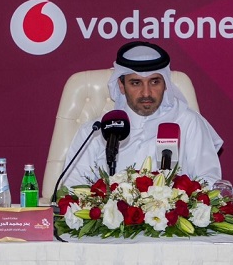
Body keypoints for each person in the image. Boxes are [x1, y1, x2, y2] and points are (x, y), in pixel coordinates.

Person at [61, 41, 223, 188]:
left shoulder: (188, 123)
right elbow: (73, 187)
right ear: (122, 86)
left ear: (165, 84)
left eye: (154, 82)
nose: (146, 93)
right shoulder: (96, 131)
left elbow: (208, 181)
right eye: (136, 83)